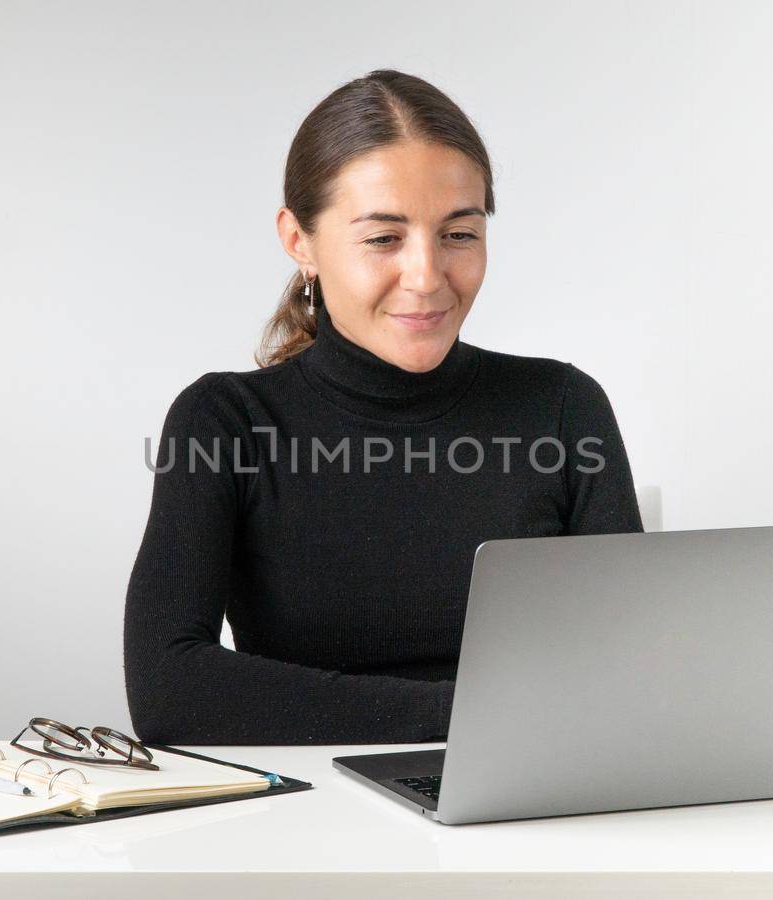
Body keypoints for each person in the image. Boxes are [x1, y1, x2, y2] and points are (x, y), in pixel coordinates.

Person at [123, 69, 642, 745]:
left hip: (528, 811)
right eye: (383, 238)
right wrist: (467, 721)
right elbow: (169, 690)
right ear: (298, 241)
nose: (427, 278)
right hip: (314, 824)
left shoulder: (564, 408)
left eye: (459, 233)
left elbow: (631, 670)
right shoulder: (224, 423)